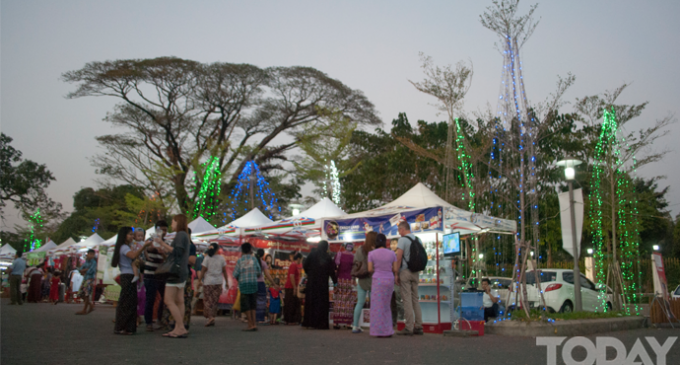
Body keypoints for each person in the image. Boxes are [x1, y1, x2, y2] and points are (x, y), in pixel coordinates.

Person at [154, 214, 191, 338]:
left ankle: (180, 326)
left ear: (178, 222)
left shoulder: (180, 235)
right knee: (179, 301)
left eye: (173, 221)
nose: (171, 224)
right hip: (182, 270)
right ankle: (178, 328)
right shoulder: (185, 235)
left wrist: (162, 244)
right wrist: (165, 250)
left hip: (175, 271)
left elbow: (177, 252)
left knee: (169, 300)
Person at [112, 226, 152, 335]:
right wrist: (144, 246)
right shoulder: (124, 248)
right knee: (127, 302)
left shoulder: (126, 246)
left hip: (128, 275)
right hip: (127, 275)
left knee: (129, 301)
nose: (132, 236)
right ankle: (123, 326)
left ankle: (127, 327)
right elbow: (133, 255)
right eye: (130, 234)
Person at [160, 228, 197, 332]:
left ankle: (180, 325)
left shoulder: (190, 246)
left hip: (181, 275)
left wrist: (181, 256)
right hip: (177, 273)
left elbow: (192, 260)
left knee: (178, 300)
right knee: (177, 301)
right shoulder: (178, 245)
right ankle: (175, 325)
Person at [395, 221, 423, 336]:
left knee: (406, 299)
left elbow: (399, 258)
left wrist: (396, 273)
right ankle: (419, 326)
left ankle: (409, 327)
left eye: (399, 230)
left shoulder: (402, 240)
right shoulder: (418, 239)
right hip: (416, 273)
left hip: (405, 272)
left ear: (402, 229)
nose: (399, 233)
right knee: (415, 299)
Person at [302, 240, 337, 330]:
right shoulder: (328, 257)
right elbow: (331, 271)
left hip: (312, 283)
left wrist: (309, 273)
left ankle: (309, 322)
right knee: (321, 304)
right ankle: (321, 323)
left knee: (311, 302)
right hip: (323, 284)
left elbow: (305, 265)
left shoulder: (312, 254)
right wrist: (335, 282)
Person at [367, 233, 398, 337]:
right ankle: (388, 330)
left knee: (377, 307)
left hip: (377, 280)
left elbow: (370, 269)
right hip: (389, 279)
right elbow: (395, 269)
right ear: (385, 242)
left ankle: (378, 331)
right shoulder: (392, 253)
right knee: (386, 305)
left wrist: (378, 270)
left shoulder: (371, 254)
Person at [143, 220, 168, 332]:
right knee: (150, 299)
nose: (163, 232)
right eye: (161, 229)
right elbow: (148, 249)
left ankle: (159, 319)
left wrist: (164, 253)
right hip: (150, 274)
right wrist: (154, 247)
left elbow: (169, 257)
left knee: (165, 298)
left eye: (165, 230)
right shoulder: (150, 240)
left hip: (162, 275)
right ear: (156, 229)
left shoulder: (167, 243)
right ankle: (148, 322)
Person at [233, 243, 262, 331]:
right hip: (253, 283)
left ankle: (250, 324)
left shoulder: (240, 261)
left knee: (246, 305)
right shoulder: (254, 259)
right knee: (253, 305)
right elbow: (259, 272)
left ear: (242, 250)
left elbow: (235, 274)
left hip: (244, 284)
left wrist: (240, 278)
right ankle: (254, 324)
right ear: (250, 250)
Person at [199, 243, 228, 327]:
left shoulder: (207, 258)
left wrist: (199, 280)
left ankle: (210, 317)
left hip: (208, 282)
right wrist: (227, 282)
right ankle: (212, 317)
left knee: (207, 300)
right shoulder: (221, 258)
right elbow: (224, 271)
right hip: (218, 282)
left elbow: (203, 270)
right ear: (218, 249)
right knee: (214, 301)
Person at [352, 232, 376, 333]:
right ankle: (374, 327)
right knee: (374, 304)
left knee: (360, 303)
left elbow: (355, 264)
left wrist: (354, 278)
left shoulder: (359, 249)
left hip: (361, 279)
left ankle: (355, 326)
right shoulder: (375, 250)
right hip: (373, 279)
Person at [333, 242, 356, 329]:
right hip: (349, 280)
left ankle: (336, 322)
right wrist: (354, 280)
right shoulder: (353, 257)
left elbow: (334, 267)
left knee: (339, 300)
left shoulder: (339, 255)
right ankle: (348, 323)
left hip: (339, 280)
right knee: (348, 301)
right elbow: (354, 269)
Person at [255, 249, 279, 324]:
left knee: (254, 301)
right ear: (263, 255)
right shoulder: (263, 263)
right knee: (262, 302)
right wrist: (273, 283)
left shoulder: (253, 262)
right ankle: (260, 319)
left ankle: (254, 318)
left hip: (253, 283)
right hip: (261, 283)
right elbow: (267, 275)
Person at [76, 249, 98, 315]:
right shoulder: (86, 262)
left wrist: (84, 270)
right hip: (85, 279)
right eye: (90, 254)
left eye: (92, 254)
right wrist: (84, 270)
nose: (91, 256)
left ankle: (85, 309)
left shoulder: (94, 262)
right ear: (87, 254)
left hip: (90, 279)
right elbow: (80, 269)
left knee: (86, 294)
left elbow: (90, 271)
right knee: (81, 294)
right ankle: (90, 305)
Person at [283, 252, 303, 325]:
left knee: (293, 303)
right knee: (291, 304)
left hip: (293, 287)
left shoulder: (295, 265)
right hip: (291, 287)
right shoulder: (293, 265)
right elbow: (291, 276)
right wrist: (294, 287)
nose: (301, 260)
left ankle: (292, 320)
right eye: (301, 259)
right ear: (298, 258)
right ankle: (290, 320)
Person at [390, 239, 404, 327]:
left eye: (395, 244)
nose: (393, 245)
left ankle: (400, 319)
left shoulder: (399, 255)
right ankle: (393, 321)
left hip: (397, 281)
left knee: (398, 301)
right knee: (391, 302)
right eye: (392, 243)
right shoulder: (388, 255)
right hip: (389, 281)